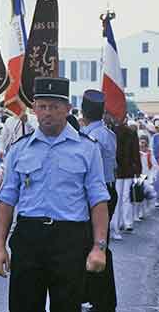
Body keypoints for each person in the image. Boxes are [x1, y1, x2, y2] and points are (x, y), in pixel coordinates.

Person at [0, 77, 110, 312]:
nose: (48, 113)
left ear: (68, 109)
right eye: (43, 106)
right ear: (34, 108)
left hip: (69, 240)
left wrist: (99, 247)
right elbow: (6, 200)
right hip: (28, 238)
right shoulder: (19, 149)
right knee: (23, 306)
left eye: (55, 107)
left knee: (66, 307)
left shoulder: (88, 149)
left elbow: (98, 201)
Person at [80, 90, 117, 312]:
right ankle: (101, 300)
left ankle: (99, 300)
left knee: (93, 246)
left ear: (84, 112)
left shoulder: (90, 136)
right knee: (100, 245)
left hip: (96, 195)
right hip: (108, 191)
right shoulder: (107, 133)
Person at [112, 119, 141, 234]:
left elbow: (135, 151)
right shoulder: (130, 132)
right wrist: (137, 168)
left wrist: (137, 168)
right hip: (125, 168)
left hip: (121, 169)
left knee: (121, 197)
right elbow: (135, 152)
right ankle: (124, 223)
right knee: (124, 197)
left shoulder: (113, 131)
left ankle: (120, 224)